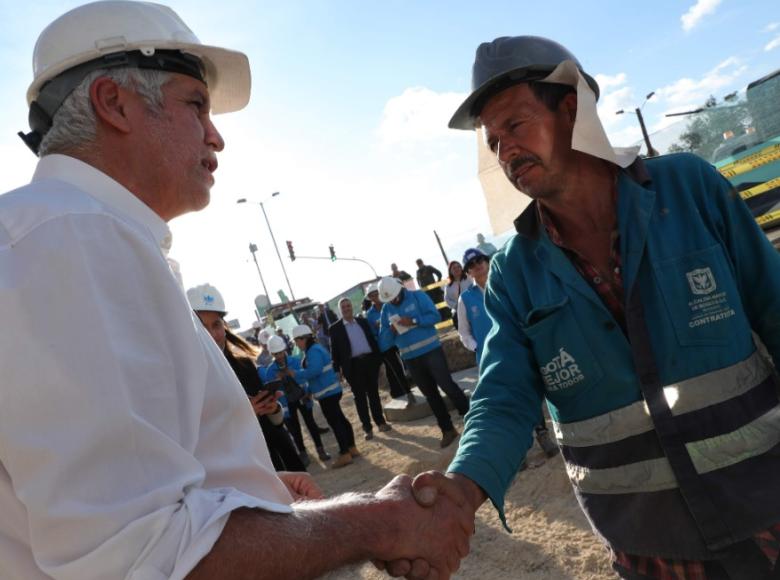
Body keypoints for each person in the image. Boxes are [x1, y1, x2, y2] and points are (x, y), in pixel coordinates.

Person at [0, 3, 473, 577]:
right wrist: (377, 522)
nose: (216, 136)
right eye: (195, 104)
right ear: (114, 103)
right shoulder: (77, 239)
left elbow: (94, 504)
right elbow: (142, 556)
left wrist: (246, 491)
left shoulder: (57, 236)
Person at [393, 34, 780, 579]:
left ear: (571, 110)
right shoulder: (513, 274)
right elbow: (504, 397)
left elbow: (775, 309)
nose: (505, 151)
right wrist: (460, 489)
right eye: (493, 140)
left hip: (767, 501)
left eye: (516, 126)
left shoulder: (688, 189)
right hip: (649, 544)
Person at [187, 283, 306, 473]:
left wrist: (273, 409)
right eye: (203, 327)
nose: (212, 334)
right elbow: (194, 441)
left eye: (216, 324)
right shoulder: (187, 381)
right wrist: (242, 413)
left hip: (275, 462)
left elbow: (274, 425)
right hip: (234, 476)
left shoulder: (245, 367)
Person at [457, 249, 558, 459]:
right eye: (472, 264)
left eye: (480, 260)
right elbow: (464, 332)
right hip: (490, 360)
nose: (477, 265)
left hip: (518, 350)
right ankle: (517, 448)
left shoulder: (503, 285)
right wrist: (478, 347)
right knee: (506, 400)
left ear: (487, 261)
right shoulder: (465, 299)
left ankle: (542, 434)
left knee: (530, 391)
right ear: (468, 272)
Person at [377, 276, 470, 448]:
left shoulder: (417, 296)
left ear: (400, 290)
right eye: (389, 299)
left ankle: (470, 417)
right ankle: (448, 429)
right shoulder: (386, 310)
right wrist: (391, 331)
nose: (393, 301)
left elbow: (435, 316)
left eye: (395, 297)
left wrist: (413, 321)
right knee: (431, 395)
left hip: (431, 351)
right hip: (411, 360)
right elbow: (383, 343)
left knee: (447, 385)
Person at [283, 324, 358, 469]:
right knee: (340, 420)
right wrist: (309, 390)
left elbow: (314, 371)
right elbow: (316, 375)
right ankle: (351, 448)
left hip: (327, 393)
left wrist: (296, 374)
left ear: (303, 338)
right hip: (329, 391)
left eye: (297, 341)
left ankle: (345, 453)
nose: (297, 344)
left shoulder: (313, 351)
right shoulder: (314, 350)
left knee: (336, 422)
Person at [330, 297, 392, 440]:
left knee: (373, 394)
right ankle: (367, 428)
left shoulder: (362, 322)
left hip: (369, 362)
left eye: (348, 305)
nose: (347, 308)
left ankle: (380, 422)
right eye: (344, 307)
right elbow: (334, 352)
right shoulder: (335, 329)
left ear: (352, 307)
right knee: (360, 398)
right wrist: (337, 370)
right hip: (352, 366)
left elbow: (371, 339)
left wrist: (378, 359)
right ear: (340, 310)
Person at [265, 335, 332, 466]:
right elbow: (270, 390)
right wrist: (277, 380)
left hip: (302, 397)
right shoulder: (270, 371)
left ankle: (321, 450)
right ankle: (303, 453)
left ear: (284, 350)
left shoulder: (295, 362)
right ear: (272, 353)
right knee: (295, 429)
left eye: (280, 352)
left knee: (311, 424)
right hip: (286, 403)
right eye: (275, 353)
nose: (278, 356)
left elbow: (306, 377)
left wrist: (294, 376)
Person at [365, 282, 418, 406]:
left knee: (411, 363)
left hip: (400, 339)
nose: (375, 297)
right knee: (396, 370)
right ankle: (408, 394)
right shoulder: (369, 315)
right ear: (369, 298)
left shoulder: (390, 305)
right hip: (385, 345)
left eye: (376, 294)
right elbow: (372, 333)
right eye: (371, 295)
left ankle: (424, 385)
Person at [444, 260, 473, 330]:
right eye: (454, 268)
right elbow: (447, 300)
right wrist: (458, 306)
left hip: (472, 308)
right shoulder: (448, 286)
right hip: (458, 312)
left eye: (458, 267)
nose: (457, 269)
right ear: (450, 271)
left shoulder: (469, 279)